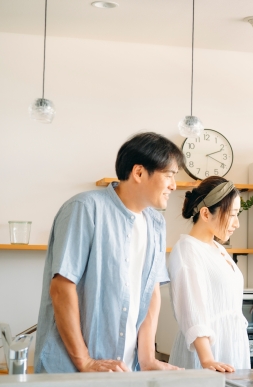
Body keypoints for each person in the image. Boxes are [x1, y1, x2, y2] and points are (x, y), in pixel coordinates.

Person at [34, 132, 185, 373]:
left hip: (124, 370)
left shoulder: (156, 224)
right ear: (138, 172)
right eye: (169, 175)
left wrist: (146, 359)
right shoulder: (85, 208)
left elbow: (151, 291)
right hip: (69, 369)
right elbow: (62, 288)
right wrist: (85, 361)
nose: (173, 186)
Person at [167, 176, 250, 372]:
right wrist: (207, 360)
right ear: (205, 213)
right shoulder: (187, 250)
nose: (237, 223)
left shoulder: (218, 249)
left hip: (232, 351)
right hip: (207, 355)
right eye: (232, 214)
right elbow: (191, 310)